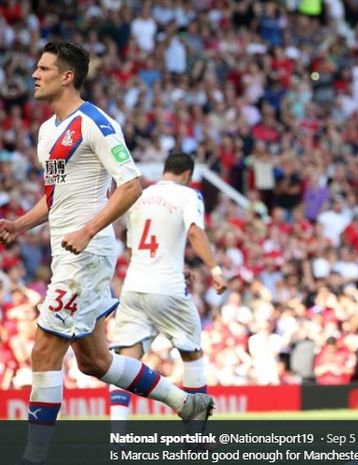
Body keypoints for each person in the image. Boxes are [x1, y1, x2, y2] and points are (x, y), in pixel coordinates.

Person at [0, 41, 213, 465]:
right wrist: (21, 224)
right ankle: (185, 403)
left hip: (87, 255)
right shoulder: (47, 131)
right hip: (68, 252)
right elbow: (55, 195)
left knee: (43, 349)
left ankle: (33, 457)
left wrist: (88, 228)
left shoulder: (97, 123)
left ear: (67, 76)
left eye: (43, 68)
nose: (34, 75)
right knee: (95, 362)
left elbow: (131, 184)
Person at [109, 152, 227, 428]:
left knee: (126, 362)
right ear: (187, 175)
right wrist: (215, 270)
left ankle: (118, 439)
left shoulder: (138, 196)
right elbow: (195, 232)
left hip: (135, 286)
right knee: (192, 353)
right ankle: (194, 436)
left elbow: (137, 246)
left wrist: (176, 265)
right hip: (168, 289)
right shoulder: (189, 195)